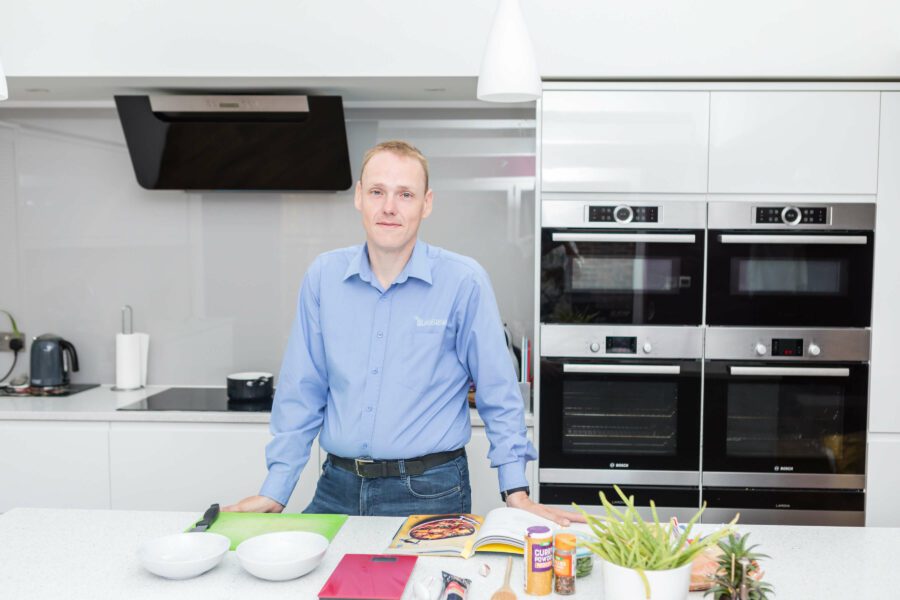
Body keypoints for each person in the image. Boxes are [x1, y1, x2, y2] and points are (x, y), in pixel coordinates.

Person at [224, 140, 583, 526]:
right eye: (377, 191)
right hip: (336, 486)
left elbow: (498, 391)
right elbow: (302, 391)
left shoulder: (463, 281)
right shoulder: (322, 278)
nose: (389, 207)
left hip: (430, 492)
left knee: (422, 589)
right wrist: (276, 490)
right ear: (359, 196)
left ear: (426, 203)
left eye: (405, 194)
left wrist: (516, 491)